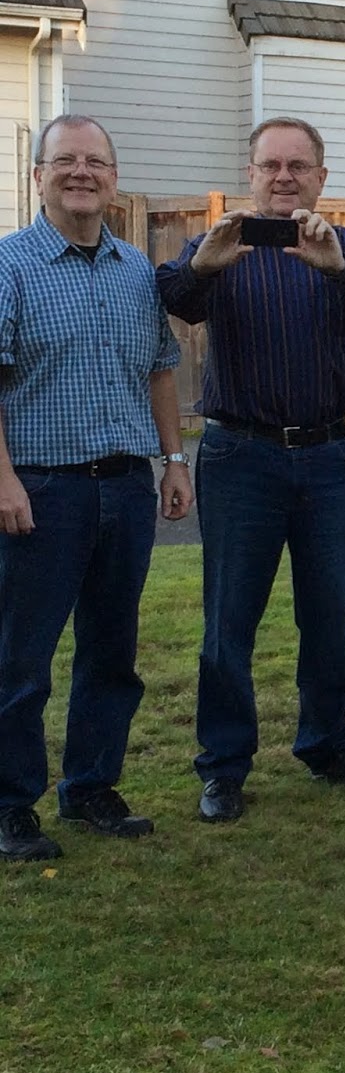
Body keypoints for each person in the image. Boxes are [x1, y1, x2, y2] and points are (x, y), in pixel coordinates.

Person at [158, 116, 345, 823]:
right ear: (252, 174)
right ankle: (224, 765)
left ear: (321, 177)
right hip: (242, 456)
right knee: (230, 619)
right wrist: (204, 266)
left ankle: (328, 743)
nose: (284, 177)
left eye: (298, 166)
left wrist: (337, 267)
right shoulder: (221, 245)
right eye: (271, 166)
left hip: (328, 456)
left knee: (329, 612)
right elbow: (172, 297)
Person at [0, 115, 192, 861]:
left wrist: (173, 460)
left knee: (111, 653)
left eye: (96, 162)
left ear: (114, 179)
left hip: (125, 488)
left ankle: (91, 787)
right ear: (38, 176)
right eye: (66, 161)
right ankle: (11, 805)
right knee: (21, 661)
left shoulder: (136, 269)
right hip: (41, 492)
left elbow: (161, 369)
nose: (81, 173)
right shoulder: (10, 266)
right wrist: (4, 480)